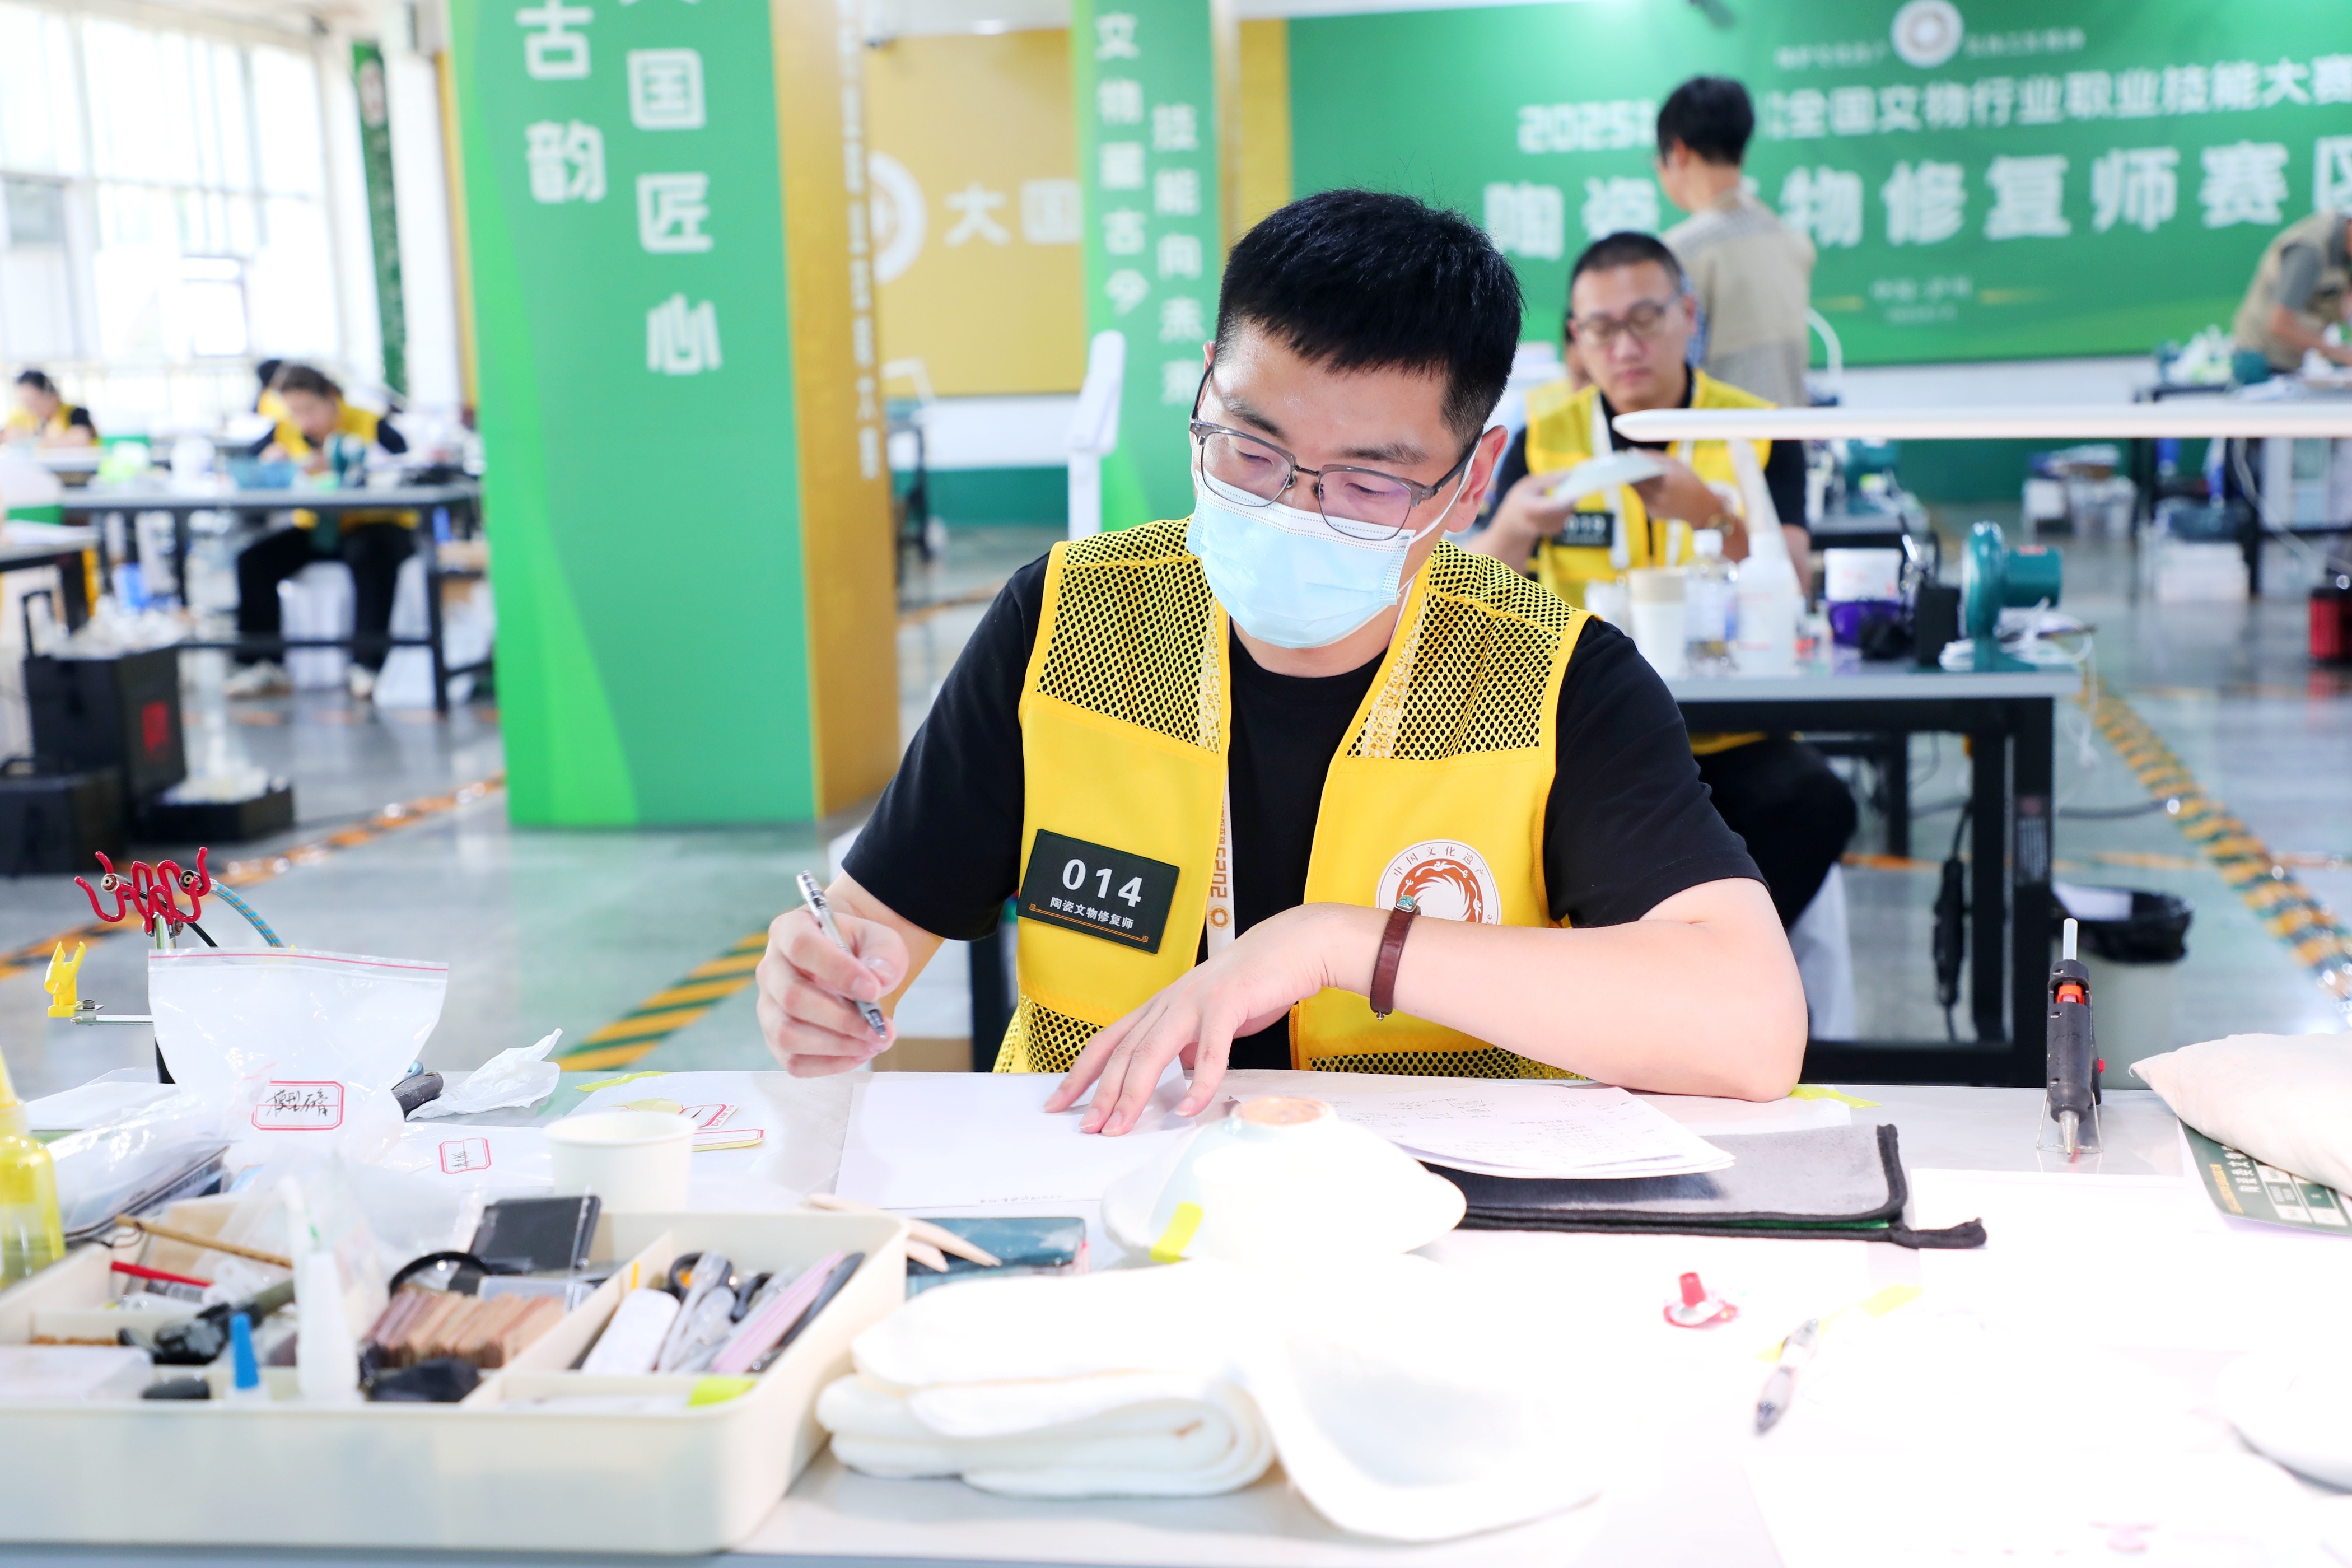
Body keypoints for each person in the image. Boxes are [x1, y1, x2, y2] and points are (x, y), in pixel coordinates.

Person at [755, 190, 1805, 1133]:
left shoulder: (1556, 679)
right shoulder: (1067, 621)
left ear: (1473, 477)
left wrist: (1343, 944)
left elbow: (1751, 1029)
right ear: (1207, 385)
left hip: (1432, 1215)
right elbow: (871, 928)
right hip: (1091, 1186)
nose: (1291, 510)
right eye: (1251, 451)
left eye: (1366, 484)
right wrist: (826, 982)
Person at [1464, 232, 1854, 940]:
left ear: (1688, 315)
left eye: (1645, 319)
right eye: (1601, 328)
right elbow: (1474, 587)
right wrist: (1514, 526)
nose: (1625, 346)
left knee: (1814, 802)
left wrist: (1713, 516)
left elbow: (1794, 582)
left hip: (1731, 734)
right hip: (1588, 731)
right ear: (1577, 337)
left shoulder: (1757, 429)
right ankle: (1654, 976)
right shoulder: (1544, 435)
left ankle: (1718, 971)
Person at [225, 365, 413, 699]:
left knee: (368, 555)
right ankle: (263, 664)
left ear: (330, 397)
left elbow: (410, 468)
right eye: (294, 411)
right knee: (253, 561)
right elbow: (246, 469)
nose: (303, 420)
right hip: (319, 527)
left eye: (309, 409)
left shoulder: (370, 424)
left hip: (375, 524)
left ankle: (368, 665)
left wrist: (360, 467)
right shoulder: (284, 431)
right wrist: (271, 465)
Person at [1654, 76, 1816, 411]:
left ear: (1678, 152)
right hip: (1791, 434)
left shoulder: (1678, 253)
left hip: (1720, 440)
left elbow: (1676, 374)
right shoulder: (1793, 242)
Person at [2229, 209, 2352, 384]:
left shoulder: (2343, 250)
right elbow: (2280, 324)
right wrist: (2339, 352)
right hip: (2261, 362)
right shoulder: (2308, 251)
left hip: (2292, 361)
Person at [6, 370, 96, 447]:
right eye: (25, 402)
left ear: (52, 395)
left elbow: (81, 439)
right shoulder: (20, 416)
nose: (30, 408)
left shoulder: (75, 413)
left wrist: (32, 440)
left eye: (34, 401)